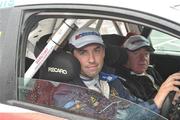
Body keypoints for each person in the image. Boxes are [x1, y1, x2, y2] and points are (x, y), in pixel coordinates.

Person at [115, 34, 180, 111]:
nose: (143, 59)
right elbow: (134, 114)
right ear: (125, 56)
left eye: (146, 54)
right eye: (136, 53)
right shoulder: (121, 81)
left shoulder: (150, 70)